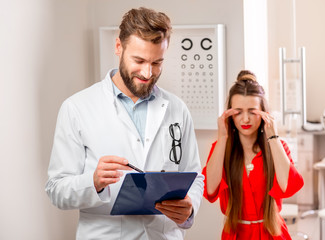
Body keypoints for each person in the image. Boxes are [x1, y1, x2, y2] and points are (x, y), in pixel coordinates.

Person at [45, 7, 204, 240]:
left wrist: (189, 209)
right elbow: (56, 189)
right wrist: (93, 181)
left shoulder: (177, 108)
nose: (148, 73)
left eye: (157, 62)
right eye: (139, 60)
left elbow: (194, 176)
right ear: (118, 47)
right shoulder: (77, 108)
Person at [202, 70, 304, 239]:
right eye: (238, 111)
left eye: (252, 111)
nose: (245, 119)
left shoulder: (278, 147)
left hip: (272, 233)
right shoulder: (221, 148)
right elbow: (210, 189)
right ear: (230, 114)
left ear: (264, 112)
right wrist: (222, 138)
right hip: (236, 234)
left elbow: (288, 187)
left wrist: (273, 136)